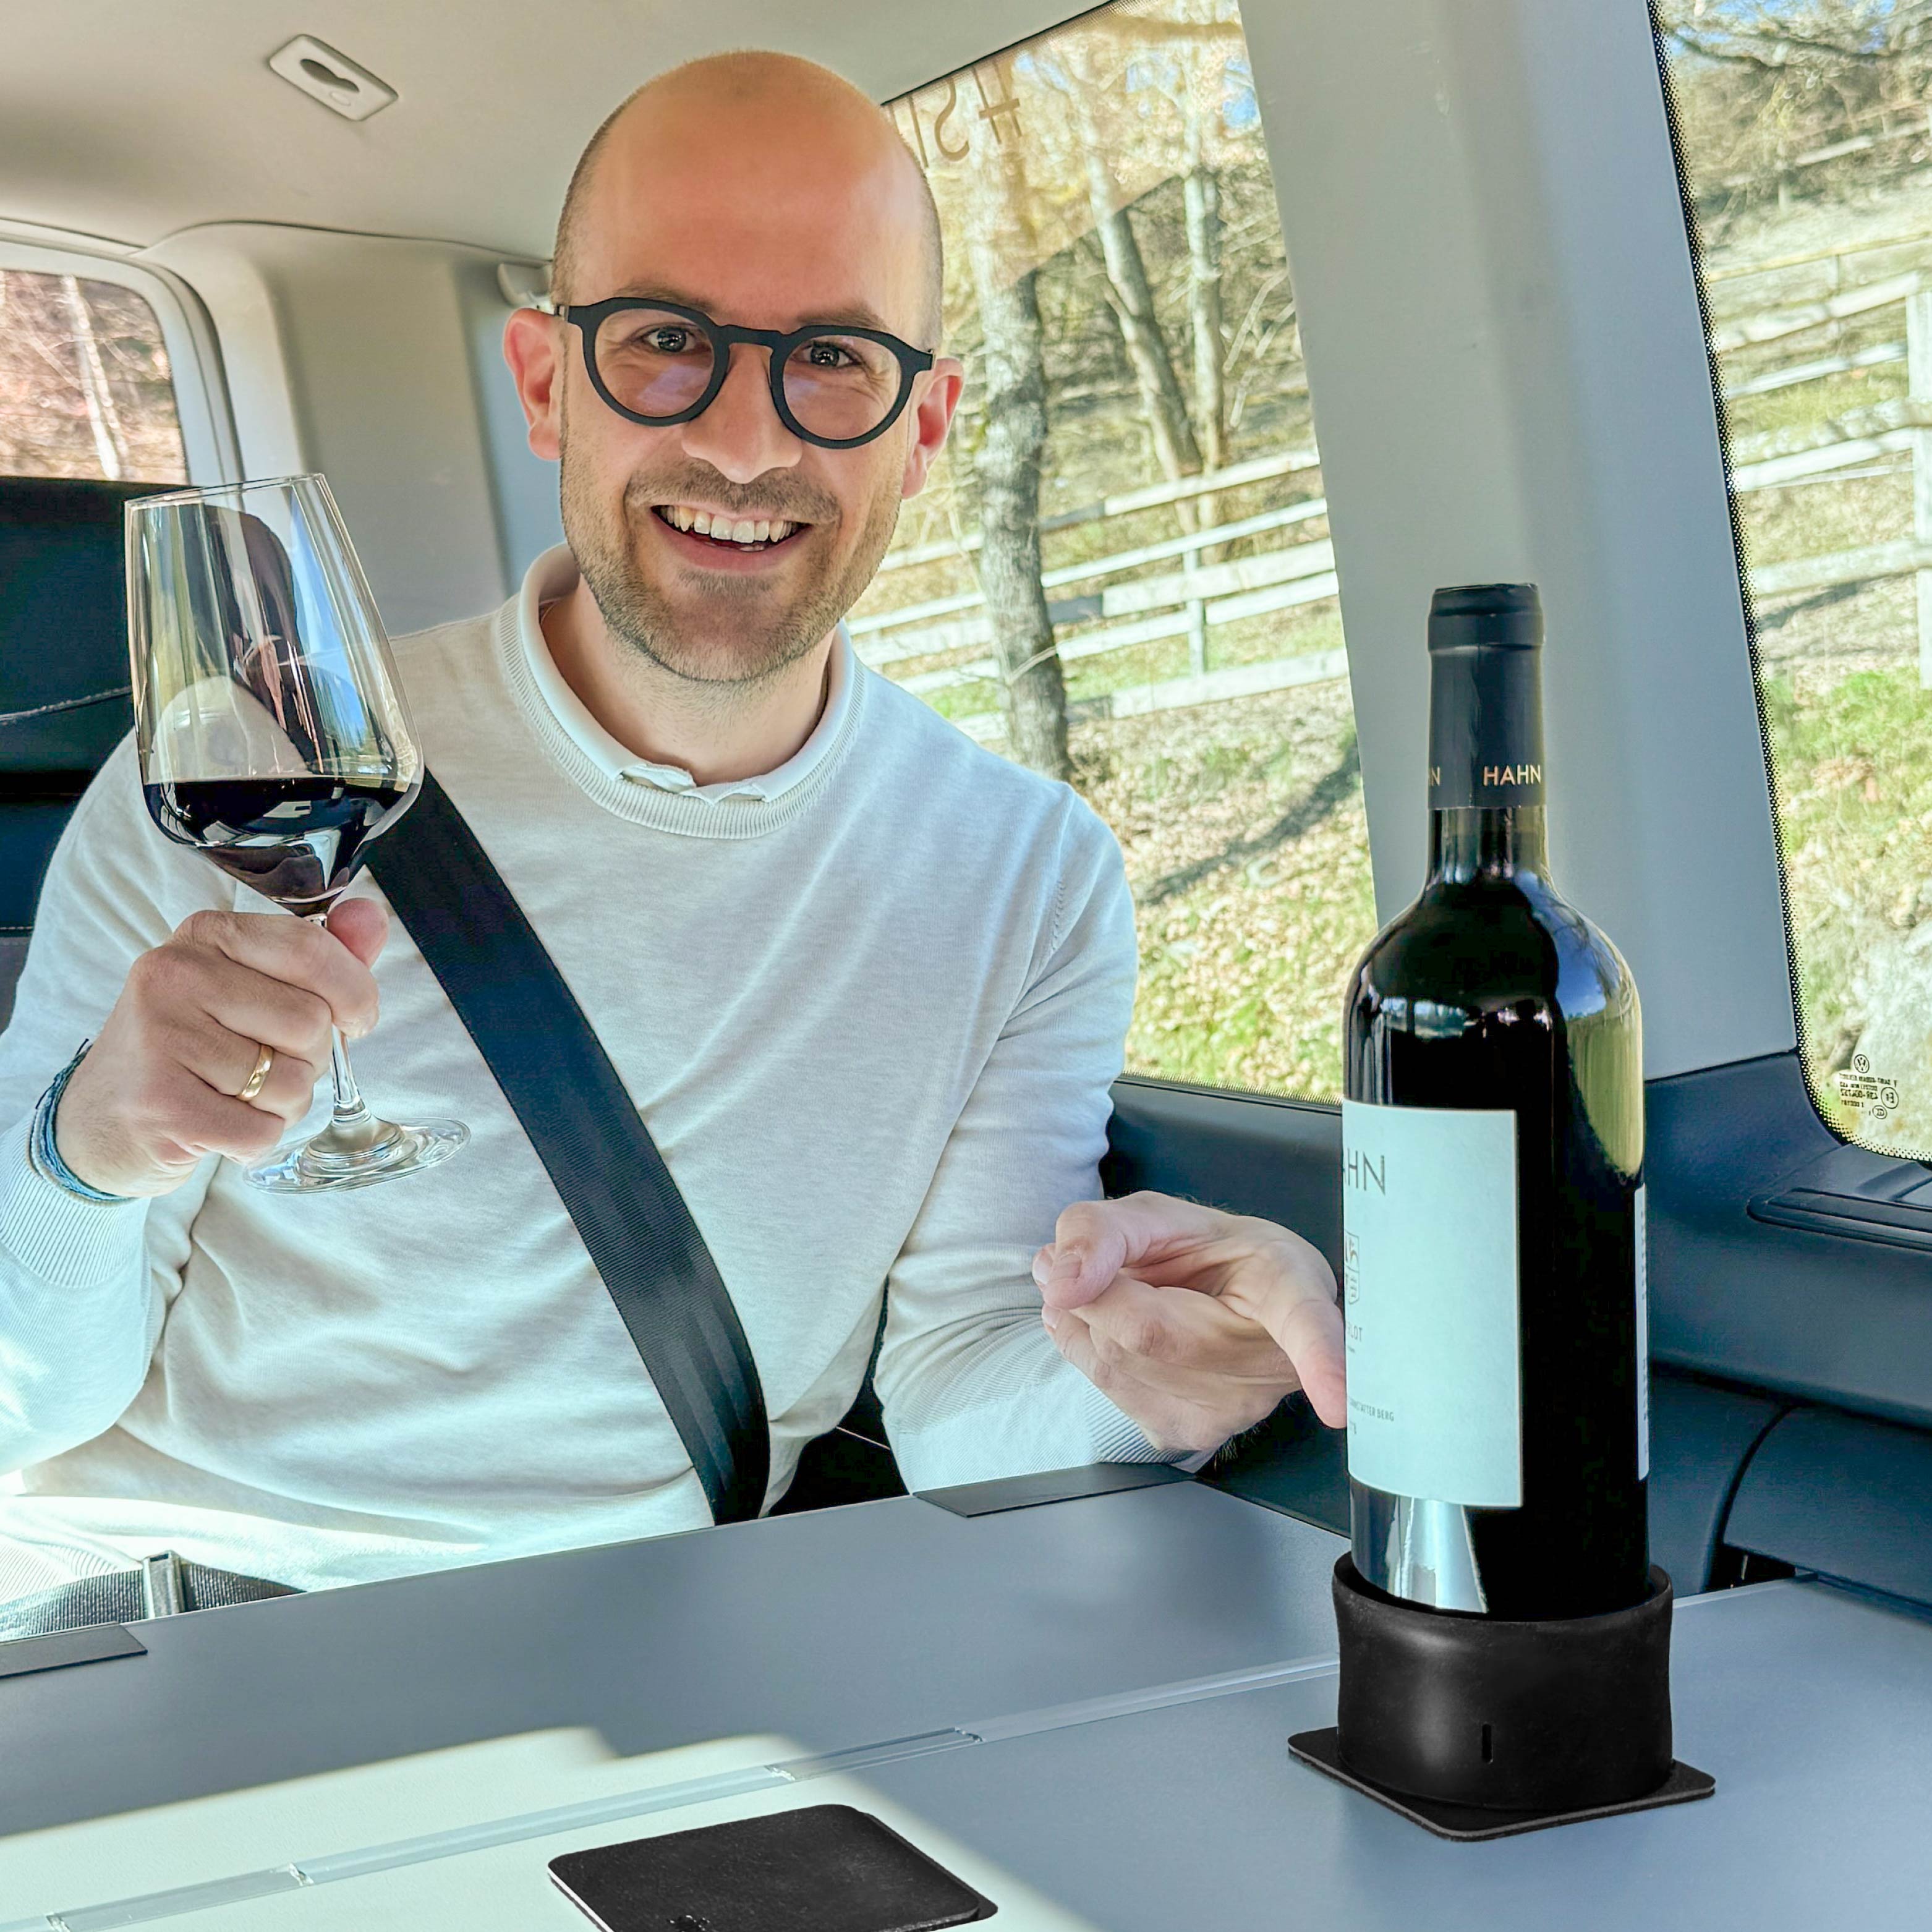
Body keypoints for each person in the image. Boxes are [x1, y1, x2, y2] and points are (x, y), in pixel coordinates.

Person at [0, 52, 1343, 1622]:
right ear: (547, 381)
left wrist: (1166, 1397)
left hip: (665, 1659)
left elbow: (965, 1407)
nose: (747, 444)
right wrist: (86, 1156)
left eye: (833, 358)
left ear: (924, 425)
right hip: (176, 1625)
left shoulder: (1028, 878)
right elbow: (27, 1411)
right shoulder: (247, 772)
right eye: (665, 342)